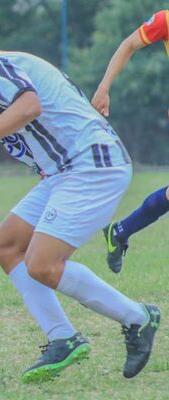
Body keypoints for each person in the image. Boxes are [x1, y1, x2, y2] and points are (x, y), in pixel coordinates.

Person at [0, 12, 160, 383]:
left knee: (43, 264)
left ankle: (138, 318)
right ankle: (62, 336)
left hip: (92, 165)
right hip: (65, 171)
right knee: (6, 245)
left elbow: (30, 106)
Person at [91, 9, 169, 273]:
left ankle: (121, 230)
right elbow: (129, 44)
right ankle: (121, 231)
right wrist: (103, 88)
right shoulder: (166, 20)